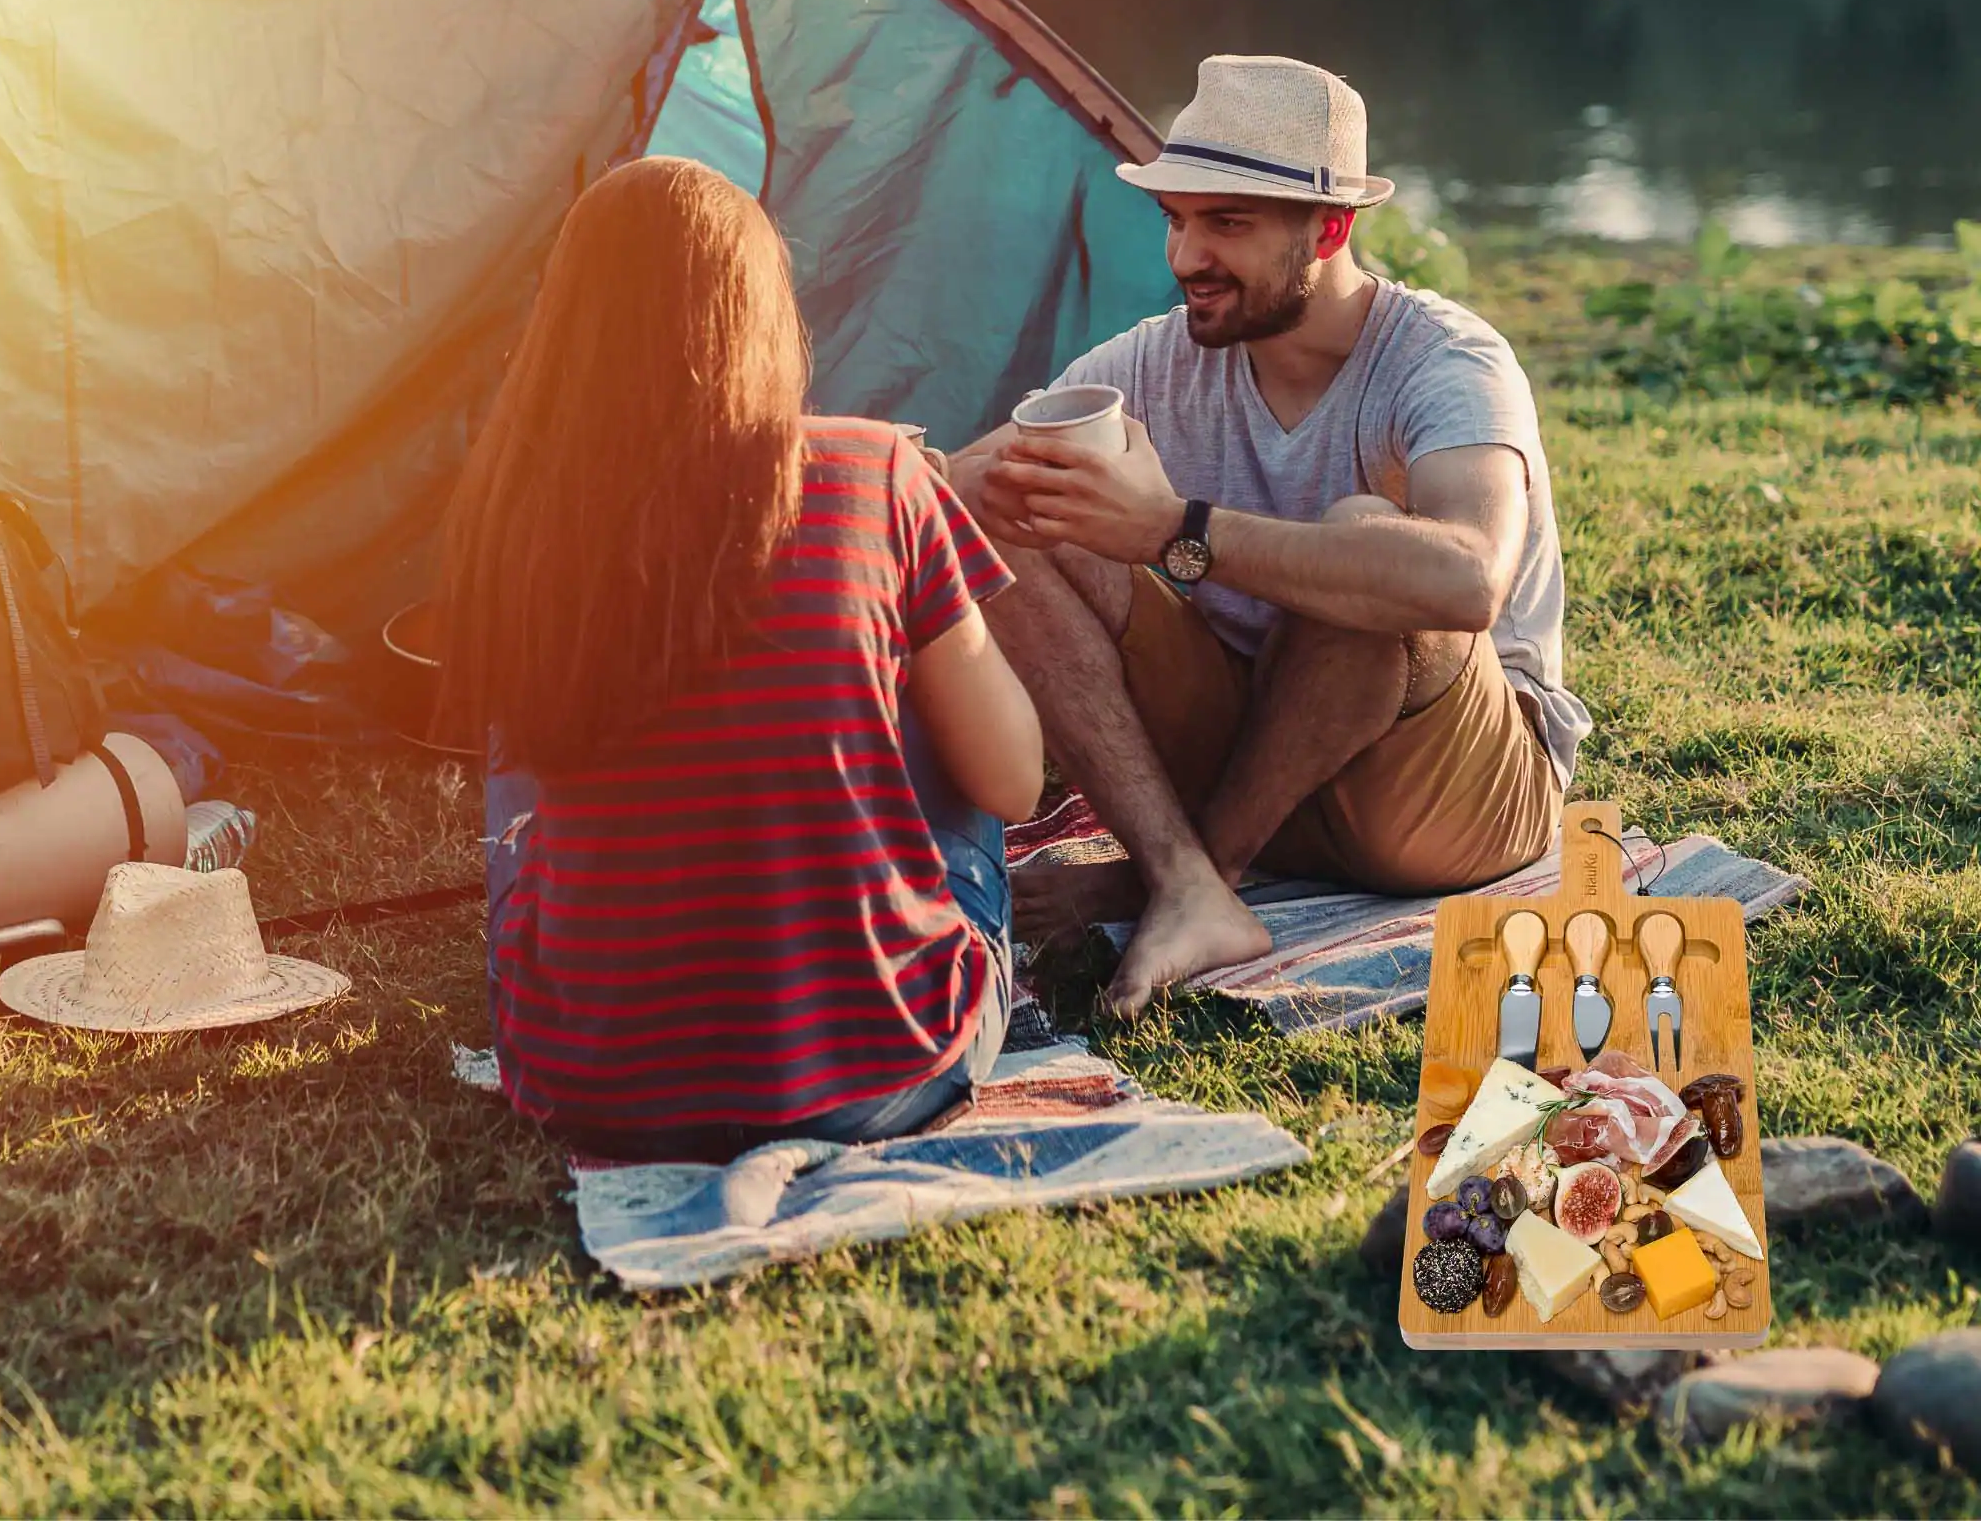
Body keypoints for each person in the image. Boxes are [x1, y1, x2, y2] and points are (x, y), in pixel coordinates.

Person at [950, 56, 1592, 1018]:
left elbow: (1467, 582)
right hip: (1256, 751)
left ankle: (1208, 868)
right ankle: (1185, 880)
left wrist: (1174, 530)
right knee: (1024, 519)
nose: (1184, 258)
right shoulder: (1153, 362)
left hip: (1448, 797)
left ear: (1330, 229)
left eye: (1227, 224)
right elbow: (946, 497)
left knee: (1370, 546)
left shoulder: (1444, 359)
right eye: (1177, 220)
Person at [436, 156, 1043, 1161]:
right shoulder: (878, 469)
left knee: (520, 756)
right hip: (883, 1067)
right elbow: (1012, 780)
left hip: (590, 1084)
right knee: (942, 707)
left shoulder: (516, 509)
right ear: (762, 308)